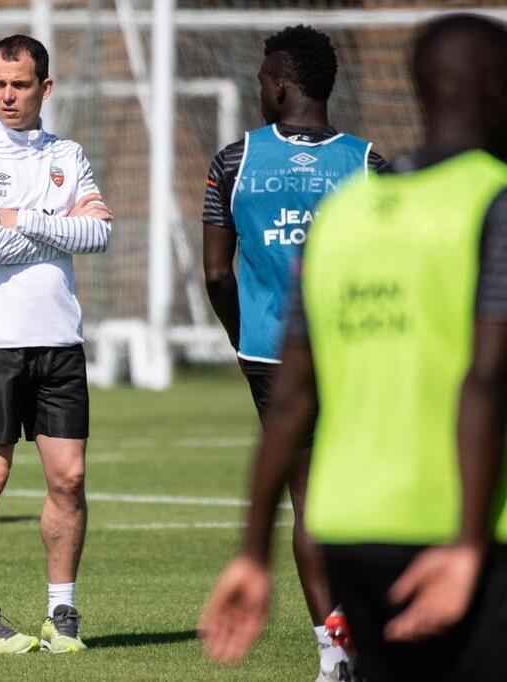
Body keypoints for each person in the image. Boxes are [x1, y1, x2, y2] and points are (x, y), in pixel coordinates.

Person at [199, 14, 507, 682]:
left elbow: (224, 286)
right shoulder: (458, 191)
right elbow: (484, 379)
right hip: (450, 517)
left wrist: (251, 552)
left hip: (349, 517)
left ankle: (331, 652)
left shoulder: (341, 220)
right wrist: (468, 541)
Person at [201, 24, 388, 681]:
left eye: (260, 80)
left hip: (272, 357)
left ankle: (332, 656)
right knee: (368, 497)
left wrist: (241, 336)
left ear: (279, 85)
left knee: (308, 501)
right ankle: (379, 636)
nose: (259, 89)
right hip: (359, 356)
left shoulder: (234, 161)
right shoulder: (369, 164)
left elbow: (218, 276)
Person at [0, 34, 112, 655]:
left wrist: (28, 218)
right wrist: (57, 224)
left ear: (45, 87)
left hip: (59, 340)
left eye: (19, 84)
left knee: (69, 479)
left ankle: (61, 614)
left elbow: (99, 232)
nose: (8, 96)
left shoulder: (68, 152)